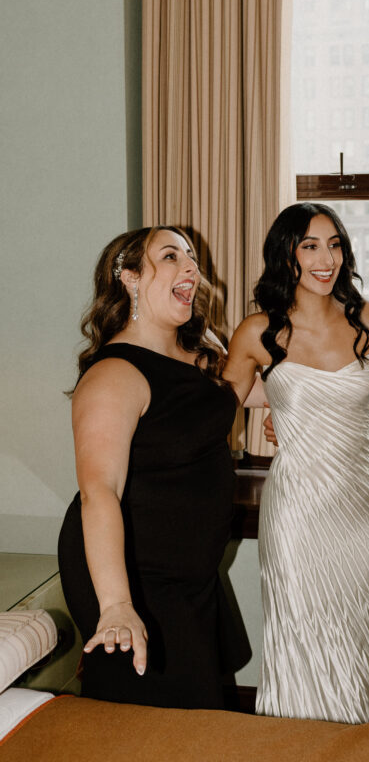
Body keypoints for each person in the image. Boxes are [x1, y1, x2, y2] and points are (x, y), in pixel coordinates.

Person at [224, 203, 369, 724]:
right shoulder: (257, 330)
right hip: (297, 508)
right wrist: (287, 409)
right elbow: (219, 407)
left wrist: (349, 418)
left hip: (362, 504)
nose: (327, 259)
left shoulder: (365, 316)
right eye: (310, 246)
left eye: (335, 244)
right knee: (299, 628)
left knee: (362, 624)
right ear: (287, 254)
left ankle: (364, 747)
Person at [58, 226, 238, 709]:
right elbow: (99, 491)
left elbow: (252, 397)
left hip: (189, 569)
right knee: (149, 713)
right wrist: (117, 604)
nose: (192, 268)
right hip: (135, 570)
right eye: (171, 255)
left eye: (192, 258)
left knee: (192, 709)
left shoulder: (200, 350)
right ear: (130, 278)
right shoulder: (114, 374)